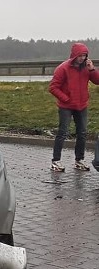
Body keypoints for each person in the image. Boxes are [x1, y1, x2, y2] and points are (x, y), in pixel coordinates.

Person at [49, 43, 99, 172]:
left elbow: (97, 81)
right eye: (80, 55)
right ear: (74, 55)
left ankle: (79, 160)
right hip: (66, 106)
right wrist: (66, 99)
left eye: (84, 55)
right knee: (62, 133)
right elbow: (53, 87)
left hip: (81, 106)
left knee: (82, 133)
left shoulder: (87, 68)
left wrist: (92, 69)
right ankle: (56, 161)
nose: (82, 58)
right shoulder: (63, 68)